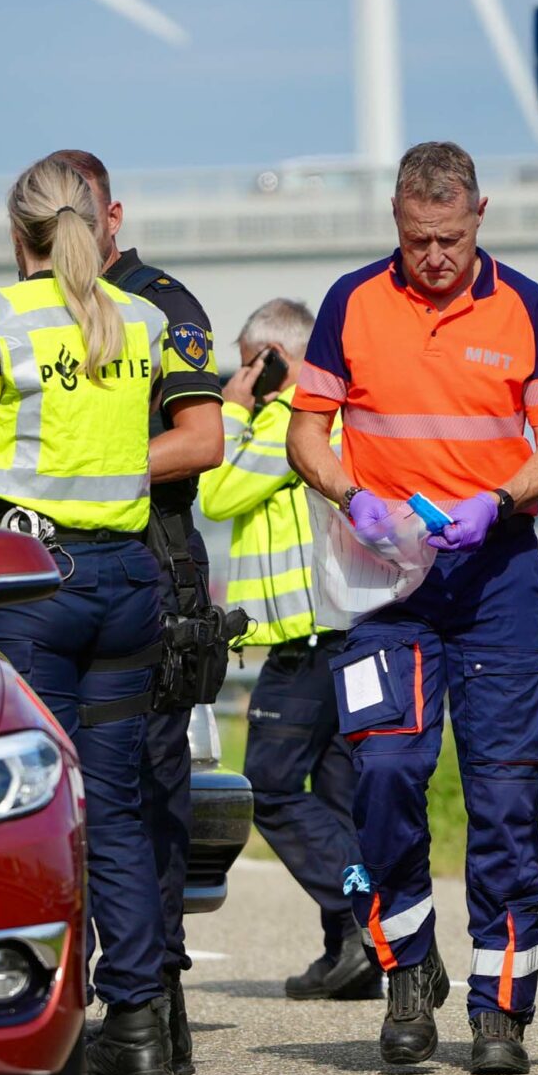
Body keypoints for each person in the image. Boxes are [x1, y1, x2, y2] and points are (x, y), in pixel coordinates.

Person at [0, 154, 209, 1075]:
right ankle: (139, 1020)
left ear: (13, 233)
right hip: (129, 581)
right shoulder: (141, 320)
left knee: (36, 804)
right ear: (98, 224)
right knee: (117, 802)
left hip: (33, 585)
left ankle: (25, 1003)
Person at [286, 141, 538, 1075]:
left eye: (450, 239)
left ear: (481, 216)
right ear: (395, 221)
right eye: (418, 240)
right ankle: (407, 969)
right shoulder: (352, 303)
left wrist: (496, 501)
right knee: (382, 775)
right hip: (387, 586)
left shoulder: (524, 305)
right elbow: (304, 432)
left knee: (502, 795)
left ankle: (501, 1009)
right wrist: (348, 495)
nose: (436, 257)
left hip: (493, 578)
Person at [49, 150, 229, 1075]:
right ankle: (106, 1004)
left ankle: (151, 1014)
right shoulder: (31, 309)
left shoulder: (161, 307)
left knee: (146, 799)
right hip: (52, 578)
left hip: (152, 568)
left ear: (112, 215)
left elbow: (202, 439)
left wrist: (86, 471)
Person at [196, 299, 375, 1001]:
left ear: (272, 357)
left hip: (306, 642)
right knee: (336, 801)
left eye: (246, 362)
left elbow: (215, 491)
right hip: (331, 639)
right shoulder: (318, 418)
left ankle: (369, 917)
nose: (237, 375)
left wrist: (233, 408)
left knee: (269, 789)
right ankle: (351, 952)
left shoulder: (287, 420)